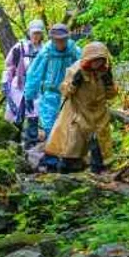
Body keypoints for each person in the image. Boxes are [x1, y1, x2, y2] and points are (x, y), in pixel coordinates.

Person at [42, 41, 117, 174]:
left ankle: (97, 170)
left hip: (99, 113)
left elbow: (111, 95)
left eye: (101, 60)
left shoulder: (104, 71)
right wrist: (74, 83)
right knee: (72, 144)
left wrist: (109, 83)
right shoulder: (76, 70)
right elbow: (65, 91)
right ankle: (65, 170)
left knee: (99, 142)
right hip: (78, 112)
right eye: (95, 60)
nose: (98, 63)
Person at [23, 23, 82, 141]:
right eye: (57, 40)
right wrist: (29, 95)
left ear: (67, 38)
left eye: (63, 40)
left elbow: (83, 67)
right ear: (52, 39)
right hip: (50, 92)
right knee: (49, 124)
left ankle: (67, 154)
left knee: (68, 123)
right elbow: (34, 73)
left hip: (69, 93)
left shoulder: (74, 50)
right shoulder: (46, 52)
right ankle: (52, 155)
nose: (60, 43)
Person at [2, 19, 45, 148]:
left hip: (36, 88)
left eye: (38, 33)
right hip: (19, 86)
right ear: (29, 33)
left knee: (34, 116)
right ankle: (12, 144)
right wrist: (5, 83)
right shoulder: (20, 47)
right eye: (34, 33)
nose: (36, 36)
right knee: (16, 116)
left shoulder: (45, 50)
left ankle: (31, 147)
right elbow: (9, 66)